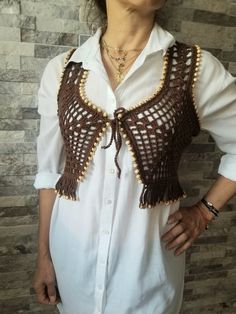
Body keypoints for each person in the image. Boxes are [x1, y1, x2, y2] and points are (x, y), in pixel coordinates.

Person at [32, 0, 236, 313]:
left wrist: (205, 212)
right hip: (72, 268)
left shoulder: (194, 69)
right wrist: (44, 257)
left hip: (147, 279)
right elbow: (50, 172)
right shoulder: (62, 71)